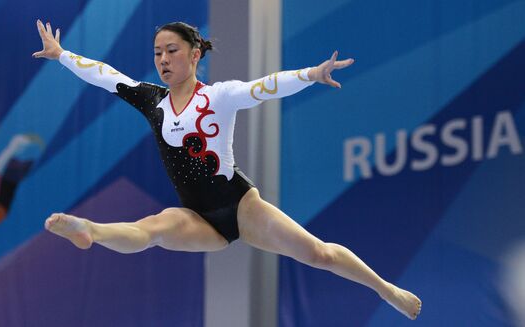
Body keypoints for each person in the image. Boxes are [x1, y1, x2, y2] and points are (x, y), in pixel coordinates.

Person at [33, 19, 422, 320]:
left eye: (172, 51)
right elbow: (104, 75)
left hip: (240, 207)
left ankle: (385, 289)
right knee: (151, 230)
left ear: (195, 54)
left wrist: (311, 75)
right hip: (194, 216)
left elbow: (264, 87)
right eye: (157, 53)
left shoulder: (217, 97)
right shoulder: (153, 102)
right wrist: (62, 54)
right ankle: (90, 231)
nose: (163, 60)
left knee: (317, 253)